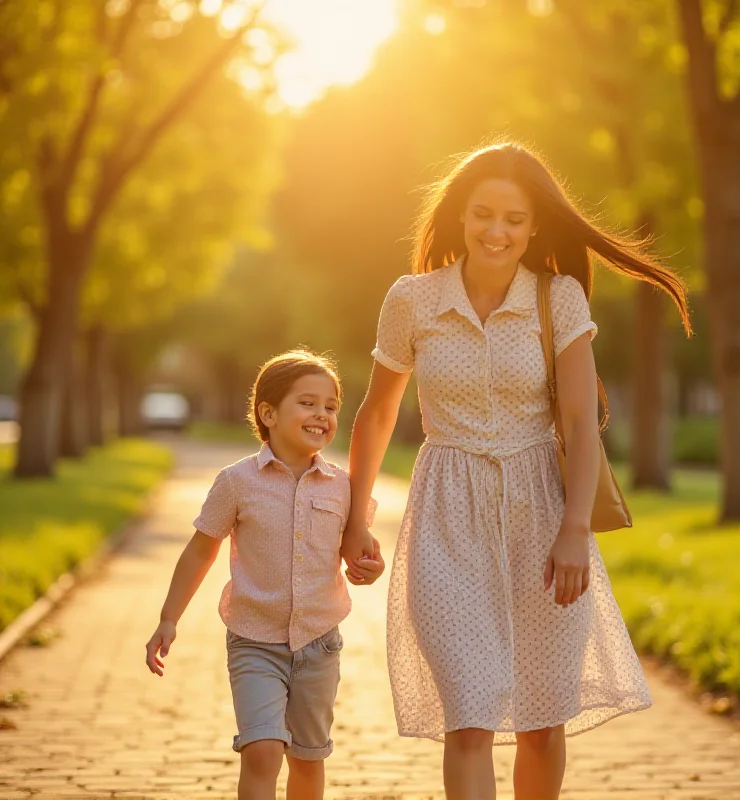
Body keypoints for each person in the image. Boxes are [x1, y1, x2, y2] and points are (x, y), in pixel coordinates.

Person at [342, 142, 691, 800]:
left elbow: (582, 426)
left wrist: (573, 530)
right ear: (458, 217)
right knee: (468, 718)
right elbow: (377, 414)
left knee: (540, 721)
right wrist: (355, 522)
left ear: (535, 228)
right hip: (446, 518)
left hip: (543, 517)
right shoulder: (411, 300)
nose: (495, 232)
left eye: (513, 219)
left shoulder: (555, 299)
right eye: (482, 214)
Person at [145, 350, 384, 800]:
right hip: (254, 641)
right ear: (268, 413)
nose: (323, 414)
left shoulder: (344, 486)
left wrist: (370, 567)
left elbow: (362, 548)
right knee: (262, 750)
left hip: (319, 644)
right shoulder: (236, 481)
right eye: (308, 403)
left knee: (309, 760)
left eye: (331, 406)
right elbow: (200, 551)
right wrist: (168, 618)